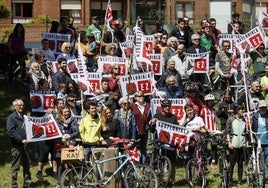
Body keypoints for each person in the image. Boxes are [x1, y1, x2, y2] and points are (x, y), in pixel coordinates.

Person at [150, 99, 178, 186]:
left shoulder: (173, 117)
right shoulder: (157, 116)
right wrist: (152, 122)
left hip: (170, 144)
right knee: (160, 163)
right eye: (165, 106)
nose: (167, 108)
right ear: (162, 107)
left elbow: (177, 130)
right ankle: (161, 181)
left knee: (172, 163)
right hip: (160, 143)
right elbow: (152, 130)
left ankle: (173, 182)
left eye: (168, 106)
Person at [6, 99, 33, 188]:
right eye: (19, 105)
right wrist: (21, 140)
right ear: (15, 107)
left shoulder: (24, 117)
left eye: (22, 105)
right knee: (16, 166)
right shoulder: (11, 117)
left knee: (26, 165)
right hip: (16, 145)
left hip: (26, 144)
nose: (21, 107)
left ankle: (27, 183)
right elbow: (11, 132)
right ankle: (14, 185)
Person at [226, 104, 247, 185]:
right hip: (233, 144)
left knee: (240, 163)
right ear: (237, 110)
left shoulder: (244, 119)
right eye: (241, 109)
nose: (242, 111)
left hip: (241, 144)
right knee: (232, 163)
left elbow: (245, 132)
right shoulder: (231, 119)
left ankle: (240, 180)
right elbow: (227, 131)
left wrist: (246, 142)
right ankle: (230, 179)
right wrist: (229, 142)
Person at [130, 91, 151, 162]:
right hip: (136, 130)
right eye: (139, 96)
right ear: (135, 98)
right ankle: (137, 163)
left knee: (144, 147)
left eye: (142, 96)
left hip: (145, 130)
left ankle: (144, 163)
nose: (141, 97)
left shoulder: (148, 105)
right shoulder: (132, 106)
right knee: (137, 147)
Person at [200, 94, 218, 166]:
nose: (210, 102)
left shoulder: (214, 110)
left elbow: (215, 121)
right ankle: (202, 160)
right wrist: (205, 129)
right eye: (209, 101)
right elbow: (201, 120)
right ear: (206, 102)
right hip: (206, 131)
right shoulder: (203, 110)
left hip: (213, 131)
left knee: (214, 146)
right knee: (204, 146)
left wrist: (216, 129)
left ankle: (214, 160)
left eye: (212, 101)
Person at [252, 100, 268, 181]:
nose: (263, 109)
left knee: (267, 160)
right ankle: (259, 177)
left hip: (267, 141)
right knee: (258, 159)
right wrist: (251, 137)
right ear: (259, 107)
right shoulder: (255, 116)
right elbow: (251, 128)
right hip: (257, 141)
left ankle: (267, 177)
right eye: (261, 107)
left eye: (264, 107)